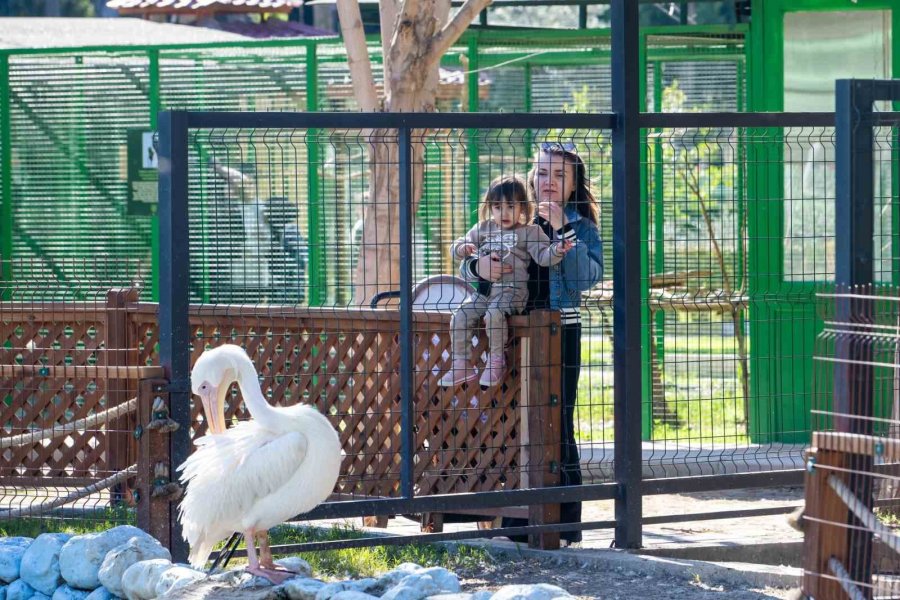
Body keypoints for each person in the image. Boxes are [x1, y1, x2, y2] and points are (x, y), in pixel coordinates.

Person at [460, 142, 603, 545]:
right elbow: (470, 253)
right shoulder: (511, 215)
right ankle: (513, 522)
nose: (549, 183)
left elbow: (584, 280)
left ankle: (561, 523)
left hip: (559, 332)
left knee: (556, 421)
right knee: (511, 420)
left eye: (560, 175)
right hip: (507, 328)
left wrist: (562, 231)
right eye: (542, 173)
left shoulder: (581, 224)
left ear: (574, 183)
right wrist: (475, 265)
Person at [439, 175, 573, 389]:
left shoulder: (530, 232)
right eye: (497, 207)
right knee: (461, 315)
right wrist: (462, 249)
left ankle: (496, 362)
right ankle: (461, 363)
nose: (504, 213)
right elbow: (458, 245)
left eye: (511, 206)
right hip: (484, 292)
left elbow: (543, 256)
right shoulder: (482, 228)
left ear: (523, 208)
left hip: (512, 292)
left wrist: (557, 250)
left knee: (494, 314)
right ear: (490, 208)